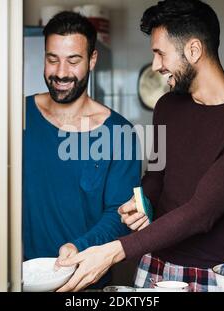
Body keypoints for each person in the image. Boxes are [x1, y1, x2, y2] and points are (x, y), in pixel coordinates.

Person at [58, 0, 224, 292]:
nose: (155, 65)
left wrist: (115, 250)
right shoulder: (167, 105)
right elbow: (156, 176)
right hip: (155, 267)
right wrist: (142, 201)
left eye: (159, 53)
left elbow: (201, 213)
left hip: (213, 276)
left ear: (193, 50)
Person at [23, 12, 141, 288]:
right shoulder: (16, 116)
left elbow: (119, 215)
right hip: (17, 279)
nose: (61, 72)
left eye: (73, 61)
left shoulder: (119, 133)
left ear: (92, 60)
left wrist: (79, 246)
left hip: (86, 284)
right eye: (52, 59)